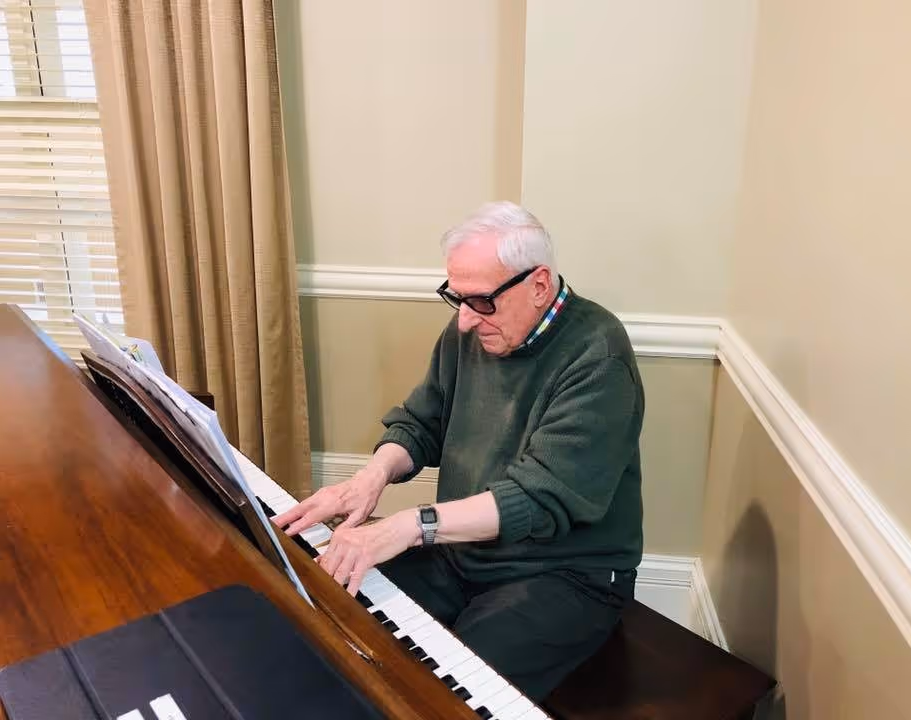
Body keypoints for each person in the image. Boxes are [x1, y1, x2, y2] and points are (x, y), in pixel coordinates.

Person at [274, 201, 644, 701]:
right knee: (334, 618)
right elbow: (423, 421)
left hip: (565, 574)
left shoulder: (598, 355)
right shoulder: (477, 327)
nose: (466, 320)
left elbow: (538, 499)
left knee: (441, 693)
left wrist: (408, 526)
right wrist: (370, 479)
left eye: (481, 301)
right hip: (464, 552)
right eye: (457, 299)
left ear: (538, 285)